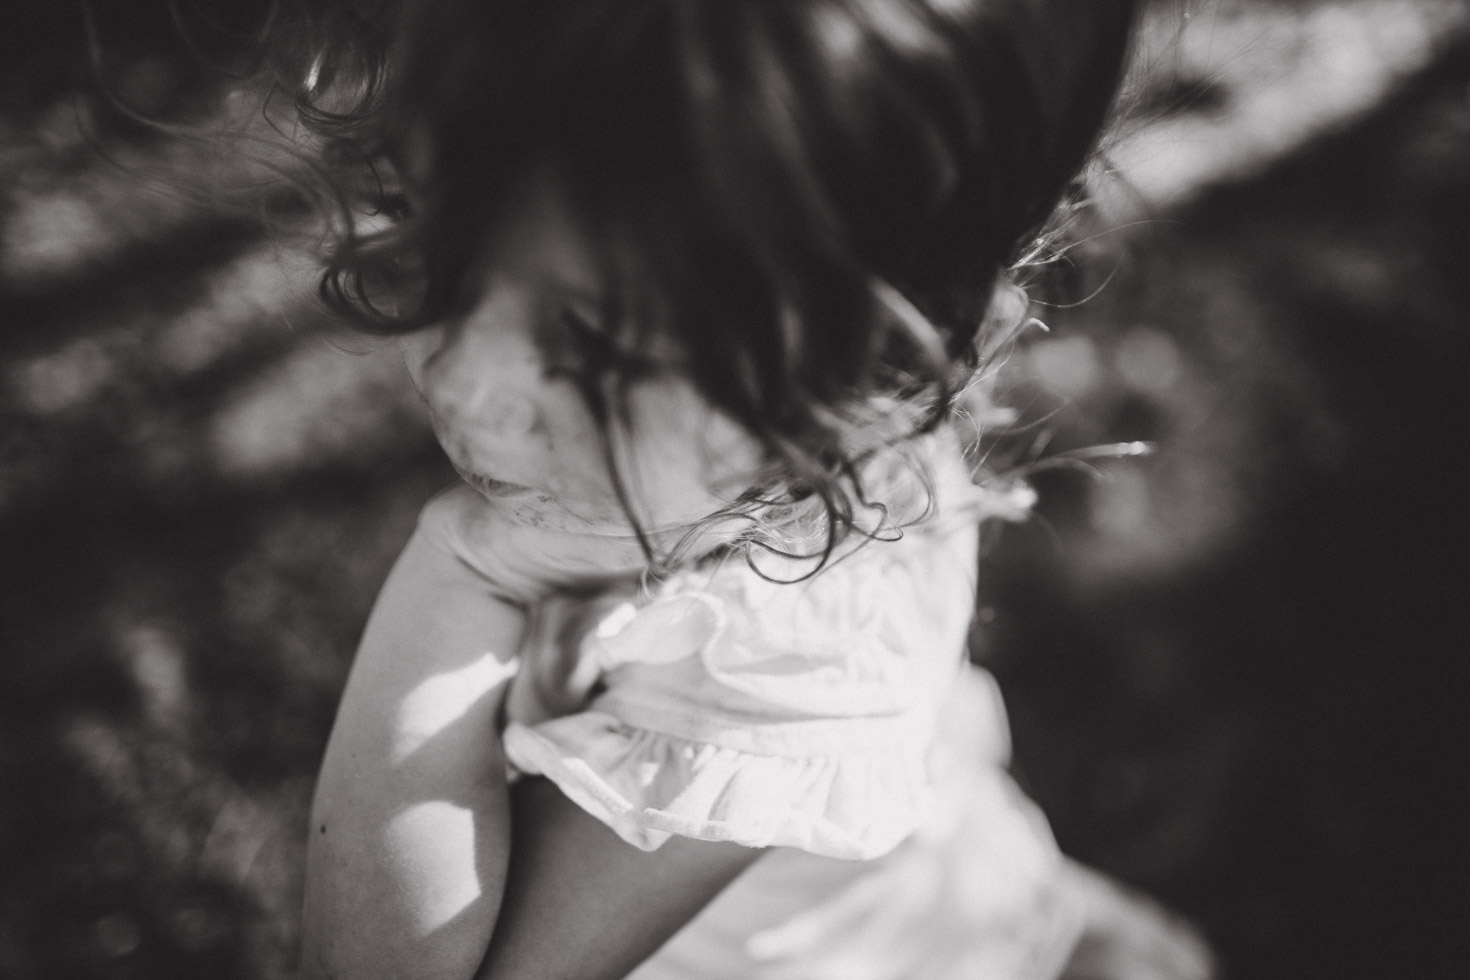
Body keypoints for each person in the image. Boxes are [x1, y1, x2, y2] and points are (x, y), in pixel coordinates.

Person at [279, 1, 1213, 977]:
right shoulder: (773, 435)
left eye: (591, 346)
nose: (465, 382)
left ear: (868, 368)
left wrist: (453, 572)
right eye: (449, 255)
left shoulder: (781, 648)